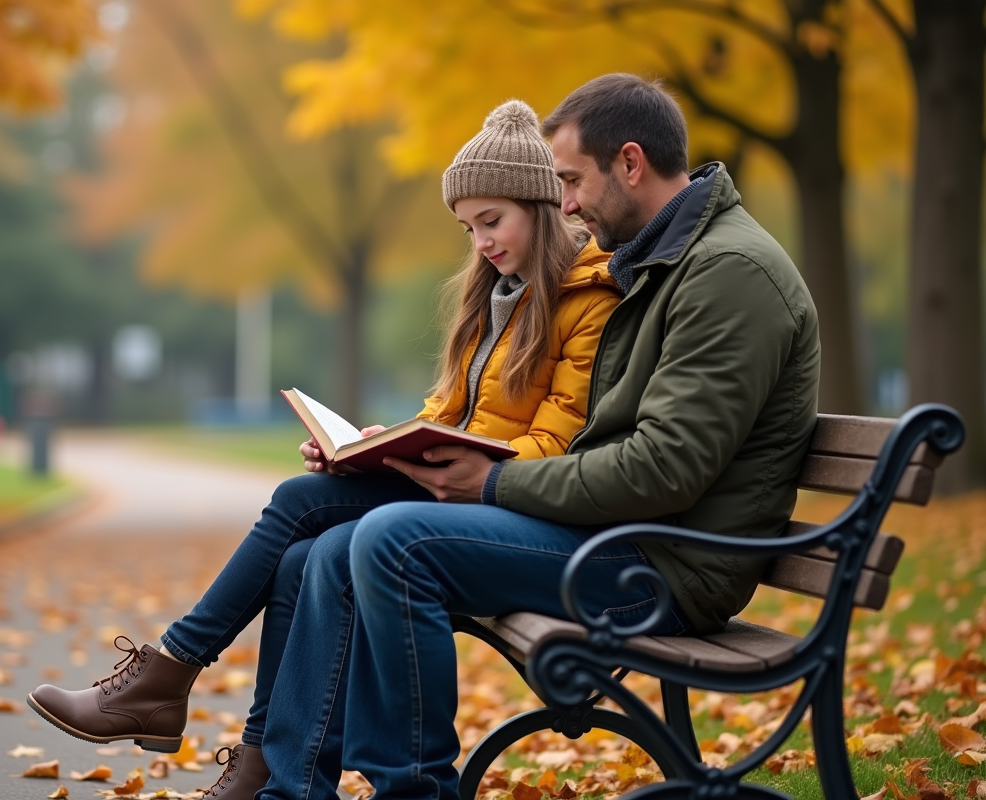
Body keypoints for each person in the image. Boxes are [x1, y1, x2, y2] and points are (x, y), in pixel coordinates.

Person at [26, 99, 622, 800]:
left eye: (492, 222)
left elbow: (555, 439)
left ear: (542, 207)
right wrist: (379, 443)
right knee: (306, 547)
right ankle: (264, 766)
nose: (481, 243)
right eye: (468, 228)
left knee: (299, 505)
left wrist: (460, 458)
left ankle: (177, 681)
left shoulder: (588, 298)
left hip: (507, 500)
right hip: (457, 484)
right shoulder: (495, 295)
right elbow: (451, 409)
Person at [255, 73, 822, 800]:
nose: (567, 203)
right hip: (625, 534)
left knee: (394, 541)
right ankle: (291, 789)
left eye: (572, 181)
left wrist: (488, 481)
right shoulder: (668, 259)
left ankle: (413, 791)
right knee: (330, 539)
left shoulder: (728, 273)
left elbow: (664, 471)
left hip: (667, 566)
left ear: (629, 163)